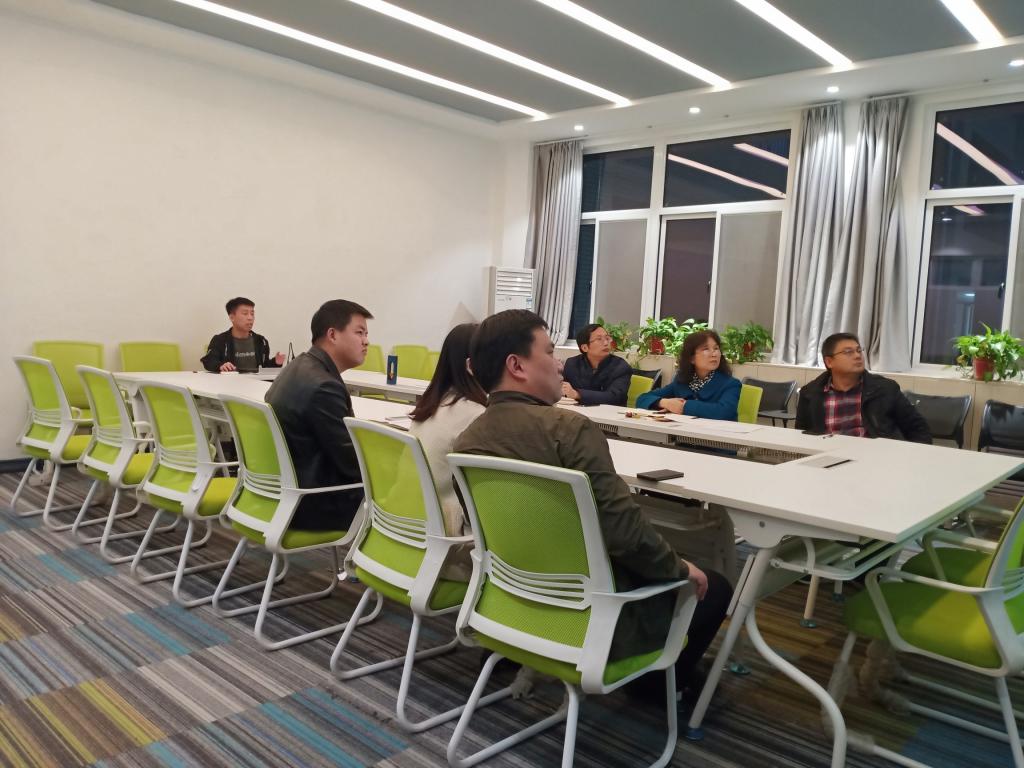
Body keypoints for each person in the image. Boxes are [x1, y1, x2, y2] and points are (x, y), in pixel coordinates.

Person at [454, 309, 731, 699]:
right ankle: (653, 687)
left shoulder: (466, 442)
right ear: (516, 366)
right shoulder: (568, 430)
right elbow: (626, 536)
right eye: (550, 353)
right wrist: (680, 568)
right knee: (712, 585)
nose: (559, 365)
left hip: (513, 604)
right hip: (592, 615)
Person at [264, 300, 372, 530]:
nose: (366, 341)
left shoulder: (297, 366)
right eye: (359, 332)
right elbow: (353, 465)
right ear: (332, 335)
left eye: (366, 334)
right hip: (316, 503)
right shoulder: (324, 386)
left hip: (284, 494)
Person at [408, 323, 487, 579]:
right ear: (472, 365)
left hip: (412, 530)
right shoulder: (475, 414)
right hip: (450, 542)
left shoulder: (431, 405)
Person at [796, 333, 932, 443]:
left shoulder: (885, 389)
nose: (857, 356)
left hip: (875, 459)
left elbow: (918, 429)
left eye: (859, 350)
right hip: (827, 457)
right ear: (829, 362)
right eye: (848, 352)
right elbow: (801, 436)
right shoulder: (810, 394)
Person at [635, 330, 740, 420]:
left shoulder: (731, 384)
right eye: (706, 349)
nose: (714, 354)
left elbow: (725, 412)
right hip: (684, 434)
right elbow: (642, 399)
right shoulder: (681, 381)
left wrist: (684, 406)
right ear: (691, 358)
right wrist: (665, 403)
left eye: (716, 348)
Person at [201, 297, 285, 373]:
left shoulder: (261, 341)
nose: (250, 318)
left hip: (257, 383)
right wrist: (221, 366)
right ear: (232, 317)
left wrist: (275, 362)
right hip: (230, 383)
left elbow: (264, 368)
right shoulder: (220, 340)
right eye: (245, 313)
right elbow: (208, 361)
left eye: (252, 314)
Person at [561, 323, 633, 406]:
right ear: (585, 348)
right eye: (599, 339)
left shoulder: (621, 367)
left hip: (609, 412)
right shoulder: (572, 364)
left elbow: (614, 397)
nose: (606, 343)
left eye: (607, 338)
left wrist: (578, 394)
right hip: (577, 411)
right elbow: (563, 390)